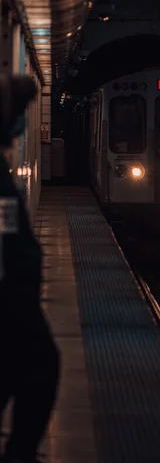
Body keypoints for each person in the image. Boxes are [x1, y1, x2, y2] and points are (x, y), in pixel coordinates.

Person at [0, 75, 59, 463]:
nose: (23, 122)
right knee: (40, 367)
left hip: (12, 298)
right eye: (20, 112)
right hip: (9, 301)